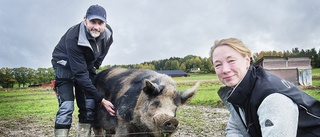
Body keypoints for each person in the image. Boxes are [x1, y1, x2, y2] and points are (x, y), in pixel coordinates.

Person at [209, 38, 320, 137]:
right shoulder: (239, 92)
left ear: (247, 60)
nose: (225, 70)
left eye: (231, 60)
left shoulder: (273, 100)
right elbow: (234, 128)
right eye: (218, 65)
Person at [51, 4, 116, 137]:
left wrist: (96, 64)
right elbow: (80, 75)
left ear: (105, 23)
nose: (96, 27)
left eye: (100, 23)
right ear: (85, 20)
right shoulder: (73, 38)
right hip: (64, 66)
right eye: (92, 22)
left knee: (88, 106)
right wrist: (101, 99)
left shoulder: (108, 33)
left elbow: (102, 52)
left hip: (84, 65)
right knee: (66, 107)